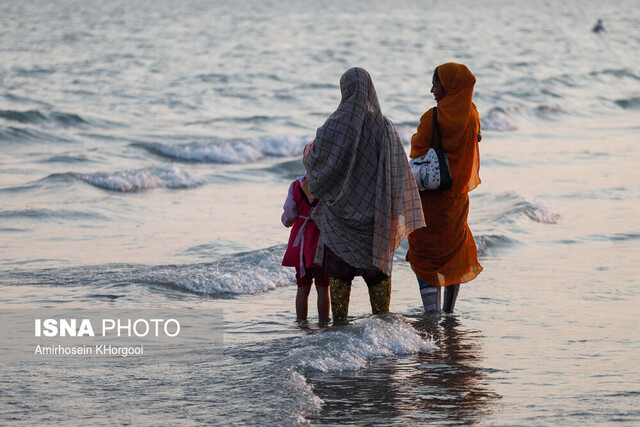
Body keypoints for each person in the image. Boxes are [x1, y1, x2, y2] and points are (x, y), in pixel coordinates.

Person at [303, 67, 425, 323]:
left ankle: (339, 343)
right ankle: (382, 346)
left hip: (339, 228)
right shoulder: (386, 129)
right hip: (375, 227)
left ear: (344, 90)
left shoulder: (332, 128)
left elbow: (314, 166)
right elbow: (399, 174)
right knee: (380, 309)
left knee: (339, 305)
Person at [407, 63, 483, 313]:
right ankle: (448, 313)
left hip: (431, 200)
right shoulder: (472, 115)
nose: (432, 90)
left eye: (435, 84)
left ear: (448, 85)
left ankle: (432, 314)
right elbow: (475, 142)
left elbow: (417, 149)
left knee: (424, 252)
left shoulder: (433, 117)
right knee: (454, 250)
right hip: (457, 199)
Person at [281, 175, 330, 323]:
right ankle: (323, 322)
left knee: (302, 285)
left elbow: (290, 214)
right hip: (322, 236)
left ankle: (302, 323)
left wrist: (286, 221)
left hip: (302, 239)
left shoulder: (296, 185)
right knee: (323, 286)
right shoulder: (328, 182)